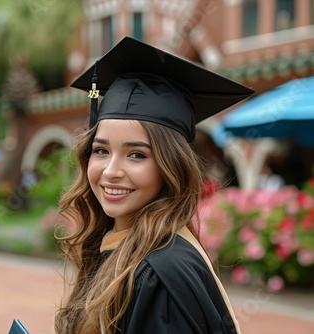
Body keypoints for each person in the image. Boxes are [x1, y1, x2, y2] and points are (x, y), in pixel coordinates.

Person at [54, 37, 254, 334]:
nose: (111, 171)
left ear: (170, 166)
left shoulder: (159, 273)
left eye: (136, 155)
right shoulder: (122, 245)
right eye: (101, 150)